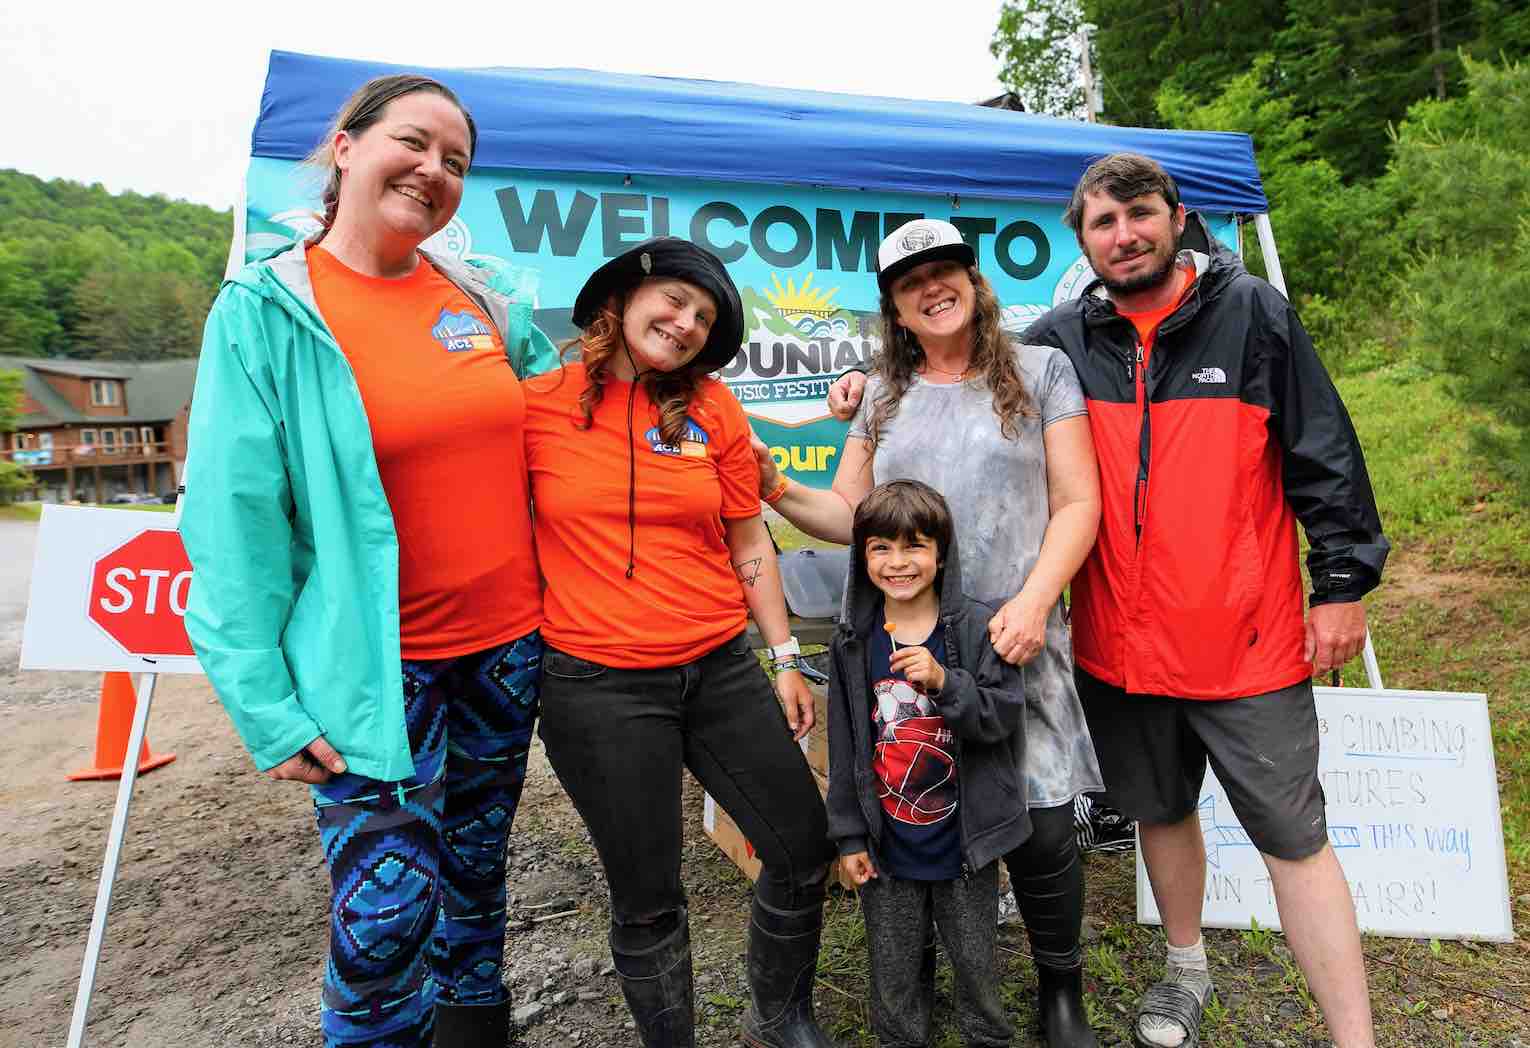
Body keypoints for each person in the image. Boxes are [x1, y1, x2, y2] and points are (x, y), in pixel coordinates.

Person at [828, 153, 1390, 1048]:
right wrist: (859, 385)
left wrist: (1343, 585)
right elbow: (948, 363)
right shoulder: (1064, 338)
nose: (1124, 235)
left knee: (1290, 833)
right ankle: (1184, 970)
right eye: (1103, 223)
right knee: (1160, 814)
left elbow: (1323, 449)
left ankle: (1354, 1037)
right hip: (1123, 643)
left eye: (1139, 214)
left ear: (1175, 216)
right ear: (1081, 241)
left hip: (1243, 634)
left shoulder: (1249, 313)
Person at [182, 75, 553, 1048]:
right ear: (345, 146)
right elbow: (232, 524)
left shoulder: (483, 298)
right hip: (376, 672)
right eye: (413, 142)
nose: (434, 170)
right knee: (387, 919)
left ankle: (476, 1032)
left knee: (476, 877)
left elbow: (571, 420)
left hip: (507, 653)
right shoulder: (267, 309)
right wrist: (265, 703)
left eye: (457, 161)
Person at [760, 218, 1104, 1047]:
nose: (931, 287)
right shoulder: (882, 392)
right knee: (924, 806)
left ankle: (1061, 990)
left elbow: (1079, 502)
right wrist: (769, 483)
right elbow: (847, 515)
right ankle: (918, 982)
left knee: (1044, 820)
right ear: (893, 306)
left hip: (1017, 634)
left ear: (974, 281)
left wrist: (1034, 600)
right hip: (906, 645)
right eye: (911, 281)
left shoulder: (1042, 369)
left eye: (945, 270)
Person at [521, 236, 839, 1048]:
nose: (686, 322)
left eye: (704, 316)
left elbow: (749, 544)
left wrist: (783, 656)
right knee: (649, 895)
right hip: (597, 688)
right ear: (622, 301)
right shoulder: (535, 407)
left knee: (803, 849)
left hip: (719, 668)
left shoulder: (714, 409)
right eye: (674, 300)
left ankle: (782, 1019)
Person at [828, 479, 1027, 1048]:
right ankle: (900, 1038)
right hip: (887, 843)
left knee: (975, 963)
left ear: (941, 554)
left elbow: (1000, 718)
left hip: (962, 842)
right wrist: (848, 836)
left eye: (914, 546)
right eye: (880, 547)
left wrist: (945, 683)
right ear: (861, 555)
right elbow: (845, 746)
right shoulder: (854, 641)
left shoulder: (975, 629)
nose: (897, 562)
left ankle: (986, 1036)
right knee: (892, 971)